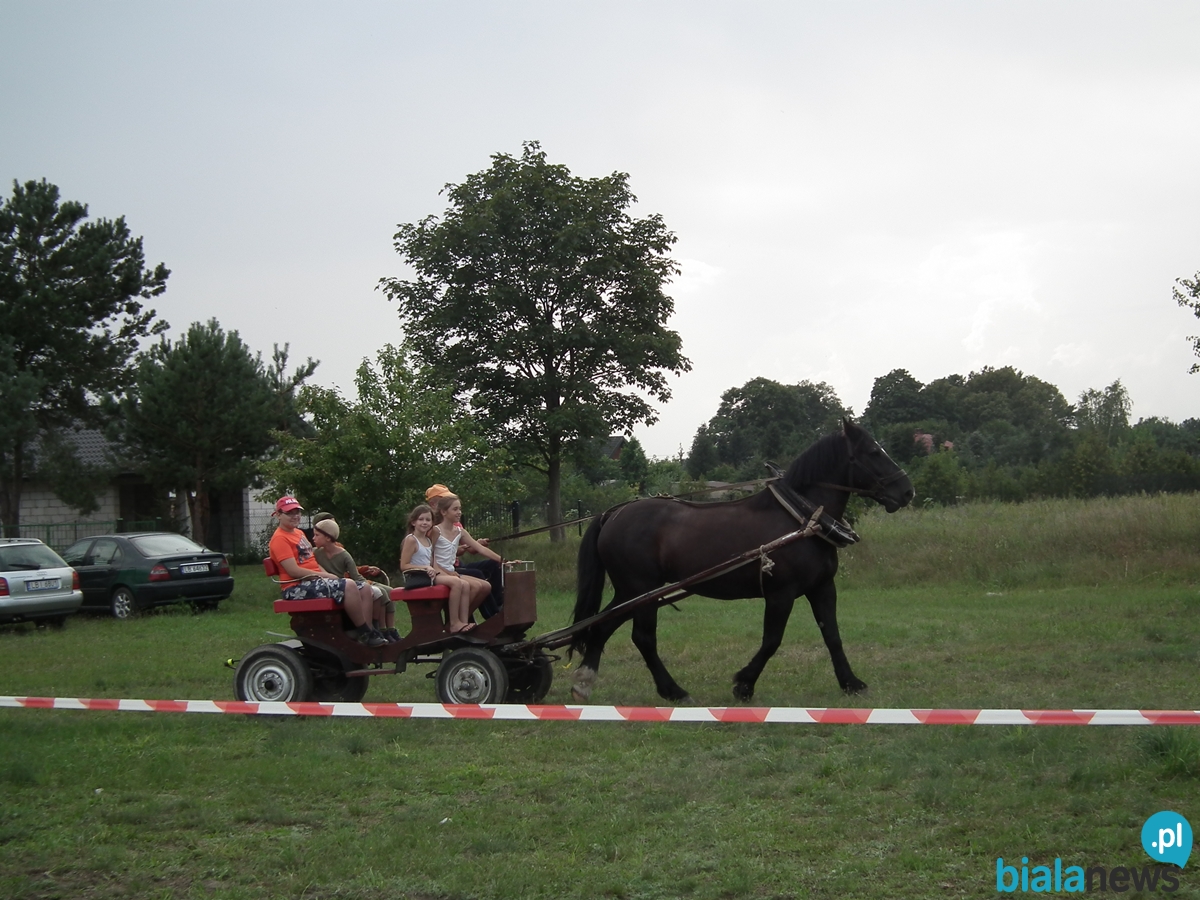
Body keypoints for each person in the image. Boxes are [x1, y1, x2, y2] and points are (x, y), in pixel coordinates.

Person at [267, 496, 386, 647]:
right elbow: (294, 571)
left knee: (365, 588)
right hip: (295, 587)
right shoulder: (280, 539)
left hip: (313, 580)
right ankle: (364, 632)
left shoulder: (299, 534)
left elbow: (313, 562)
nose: (295, 516)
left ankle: (366, 633)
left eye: (297, 512)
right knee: (349, 585)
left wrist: (327, 576)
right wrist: (326, 576)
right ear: (278, 515)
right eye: (289, 513)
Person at [310, 516, 398, 643]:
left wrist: (368, 582)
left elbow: (356, 575)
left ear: (328, 538)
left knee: (378, 592)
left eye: (316, 535)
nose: (313, 538)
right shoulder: (315, 553)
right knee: (377, 591)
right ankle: (368, 631)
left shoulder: (343, 554)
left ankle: (374, 629)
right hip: (330, 586)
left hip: (344, 584)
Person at [425, 483, 505, 618]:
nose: (459, 512)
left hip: (453, 566)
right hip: (441, 570)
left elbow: (476, 549)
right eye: (455, 509)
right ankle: (486, 617)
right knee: (477, 575)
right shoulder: (432, 527)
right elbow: (428, 553)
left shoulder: (458, 528)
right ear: (437, 506)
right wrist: (446, 570)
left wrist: (503, 560)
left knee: (491, 569)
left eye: (459, 509)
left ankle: (495, 609)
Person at [400, 504, 474, 634]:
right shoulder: (411, 540)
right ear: (413, 522)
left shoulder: (428, 540)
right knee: (456, 583)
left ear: (432, 523)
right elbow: (404, 565)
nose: (425, 522)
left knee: (465, 584)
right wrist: (424, 567)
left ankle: (463, 621)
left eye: (428, 520)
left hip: (430, 574)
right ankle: (454, 623)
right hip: (418, 576)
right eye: (421, 519)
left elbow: (434, 564)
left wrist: (448, 573)